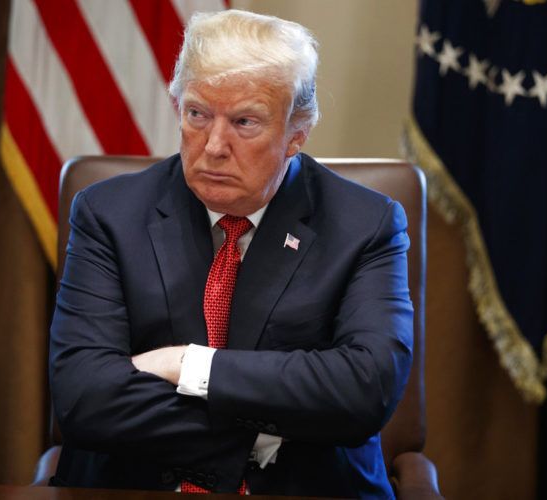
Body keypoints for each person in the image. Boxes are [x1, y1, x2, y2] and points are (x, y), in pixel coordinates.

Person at [49, 9, 413, 498]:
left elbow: (365, 388)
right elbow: (83, 399)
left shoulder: (364, 224)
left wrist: (189, 365)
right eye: (197, 114)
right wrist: (270, 430)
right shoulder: (107, 214)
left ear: (297, 133)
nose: (213, 146)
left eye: (244, 121)